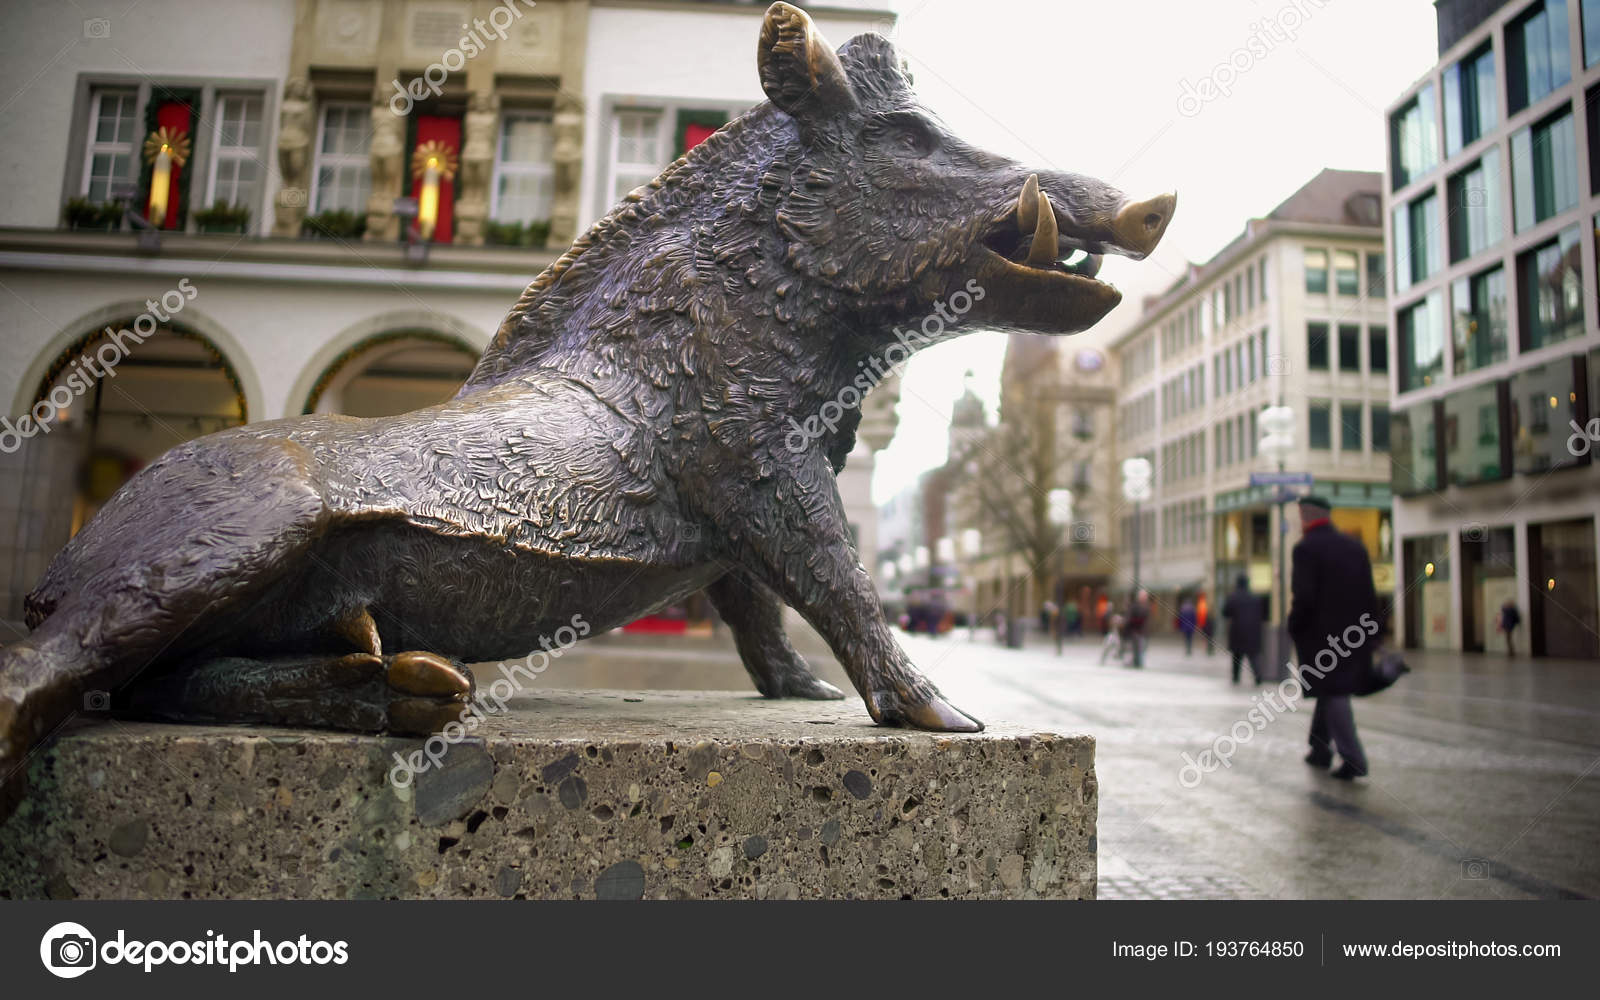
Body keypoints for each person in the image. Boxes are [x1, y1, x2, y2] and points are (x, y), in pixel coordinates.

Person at [1288, 496, 1378, 780]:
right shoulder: (1354, 547)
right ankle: (1319, 748)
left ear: (1305, 516)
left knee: (1334, 692)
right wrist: (1371, 631)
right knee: (1330, 689)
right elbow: (1370, 595)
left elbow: (1304, 597)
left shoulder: (1306, 549)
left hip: (1322, 636)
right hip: (1355, 633)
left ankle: (1353, 759)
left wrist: (1295, 626)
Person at [1221, 573, 1263, 685]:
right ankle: (1258, 676)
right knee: (1253, 656)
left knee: (1236, 657)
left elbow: (1225, 612)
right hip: (1252, 632)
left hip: (1237, 632)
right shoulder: (1254, 597)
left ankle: (1236, 677)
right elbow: (1262, 614)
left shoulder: (1233, 597)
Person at [1125, 589, 1150, 667]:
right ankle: (1136, 663)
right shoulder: (1135, 606)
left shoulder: (1147, 606)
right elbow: (1129, 619)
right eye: (1143, 596)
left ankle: (1138, 663)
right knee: (1135, 648)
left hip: (1143, 631)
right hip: (1135, 631)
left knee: (1141, 648)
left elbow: (1147, 620)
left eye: (1146, 596)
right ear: (1139, 597)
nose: (1145, 598)